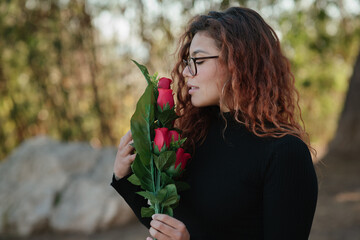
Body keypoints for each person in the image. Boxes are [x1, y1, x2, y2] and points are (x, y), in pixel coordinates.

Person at [111, 6, 318, 240]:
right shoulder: (195, 137)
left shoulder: (285, 153)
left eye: (198, 60)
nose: (187, 72)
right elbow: (170, 224)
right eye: (187, 61)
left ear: (237, 62)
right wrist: (123, 177)